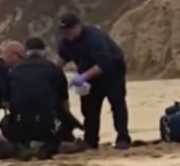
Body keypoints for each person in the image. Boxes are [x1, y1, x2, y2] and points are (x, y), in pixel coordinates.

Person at [56, 13, 131, 150]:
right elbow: (61, 60)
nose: (67, 34)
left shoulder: (94, 37)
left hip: (112, 71)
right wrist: (52, 74)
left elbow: (104, 64)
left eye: (69, 30)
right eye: (64, 31)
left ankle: (123, 138)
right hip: (88, 74)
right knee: (89, 108)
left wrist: (83, 77)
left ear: (78, 26)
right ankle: (91, 140)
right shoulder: (66, 41)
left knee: (117, 103)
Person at [0, 37, 76, 159]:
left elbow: (6, 104)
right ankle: (48, 148)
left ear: (25, 52)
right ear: (44, 52)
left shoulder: (13, 71)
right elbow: (64, 105)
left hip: (20, 126)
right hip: (47, 126)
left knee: (4, 124)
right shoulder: (54, 70)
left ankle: (22, 147)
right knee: (63, 126)